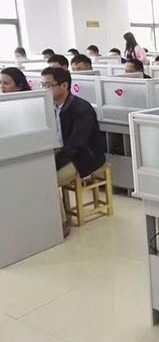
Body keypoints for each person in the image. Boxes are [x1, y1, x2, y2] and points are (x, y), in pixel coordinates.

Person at [41, 67, 106, 236]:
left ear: (64, 85)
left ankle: (61, 225)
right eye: (42, 85)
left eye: (49, 85)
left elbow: (76, 144)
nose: (45, 90)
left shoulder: (80, 108)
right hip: (62, 153)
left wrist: (54, 163)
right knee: (37, 175)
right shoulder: (50, 106)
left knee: (48, 181)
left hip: (85, 157)